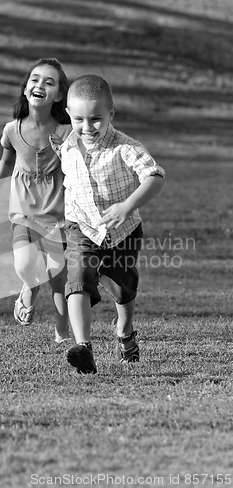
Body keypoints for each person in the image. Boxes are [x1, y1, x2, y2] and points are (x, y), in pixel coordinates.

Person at [52, 74, 165, 373]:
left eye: (96, 119)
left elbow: (155, 176)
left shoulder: (125, 147)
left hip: (122, 233)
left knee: (122, 289)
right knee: (77, 280)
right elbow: (69, 187)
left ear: (111, 114)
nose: (87, 127)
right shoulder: (67, 147)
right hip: (82, 229)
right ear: (68, 115)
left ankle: (125, 332)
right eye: (79, 119)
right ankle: (83, 347)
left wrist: (128, 206)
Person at [0, 58, 71, 343]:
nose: (40, 84)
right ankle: (29, 288)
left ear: (59, 95)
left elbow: (77, 165)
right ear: (26, 87)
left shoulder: (67, 132)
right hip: (23, 209)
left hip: (58, 210)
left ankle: (62, 330)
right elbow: (5, 162)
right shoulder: (11, 129)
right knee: (24, 266)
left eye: (49, 82)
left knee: (56, 274)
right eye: (35, 79)